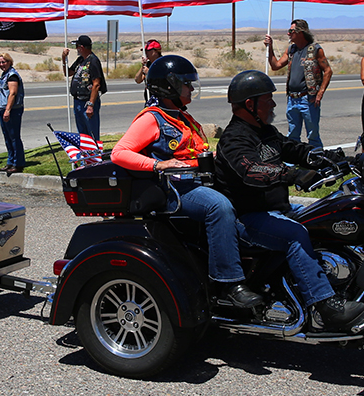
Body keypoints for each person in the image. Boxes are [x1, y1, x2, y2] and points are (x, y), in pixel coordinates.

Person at [214, 70, 364, 329]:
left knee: (327, 216)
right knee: (296, 235)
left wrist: (324, 158)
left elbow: (291, 148)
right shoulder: (234, 139)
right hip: (249, 218)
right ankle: (325, 305)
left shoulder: (266, 131)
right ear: (250, 104)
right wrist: (293, 175)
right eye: (267, 99)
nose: (273, 104)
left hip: (278, 209)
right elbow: (252, 170)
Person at [111, 56, 263, 309]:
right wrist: (158, 164)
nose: (191, 88)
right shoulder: (153, 118)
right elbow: (120, 152)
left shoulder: (181, 116)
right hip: (174, 189)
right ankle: (229, 283)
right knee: (219, 207)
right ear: (169, 86)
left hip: (196, 183)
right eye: (186, 84)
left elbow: (192, 153)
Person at [264, 19, 332, 149]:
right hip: (292, 99)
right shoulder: (291, 50)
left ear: (300, 32)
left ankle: (316, 158)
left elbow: (328, 71)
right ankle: (293, 162)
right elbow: (276, 65)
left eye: (291, 31)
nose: (288, 34)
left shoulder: (315, 50)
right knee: (293, 133)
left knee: (312, 134)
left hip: (308, 98)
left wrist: (320, 92)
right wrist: (270, 48)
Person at [0, 53, 26, 175]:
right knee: (7, 136)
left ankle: (18, 163)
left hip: (12, 110)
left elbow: (12, 93)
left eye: (4, 62)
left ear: (9, 61)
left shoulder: (12, 75)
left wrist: (8, 110)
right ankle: (11, 160)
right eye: (0, 63)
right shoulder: (5, 74)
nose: (1, 65)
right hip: (3, 108)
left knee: (14, 137)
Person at [61, 35, 105, 140]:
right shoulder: (80, 60)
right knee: (82, 134)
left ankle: (94, 153)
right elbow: (68, 73)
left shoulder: (93, 61)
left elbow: (96, 84)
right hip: (78, 101)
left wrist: (91, 105)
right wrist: (64, 58)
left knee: (91, 132)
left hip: (87, 102)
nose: (76, 49)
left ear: (82, 47)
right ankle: (85, 153)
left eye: (77, 46)